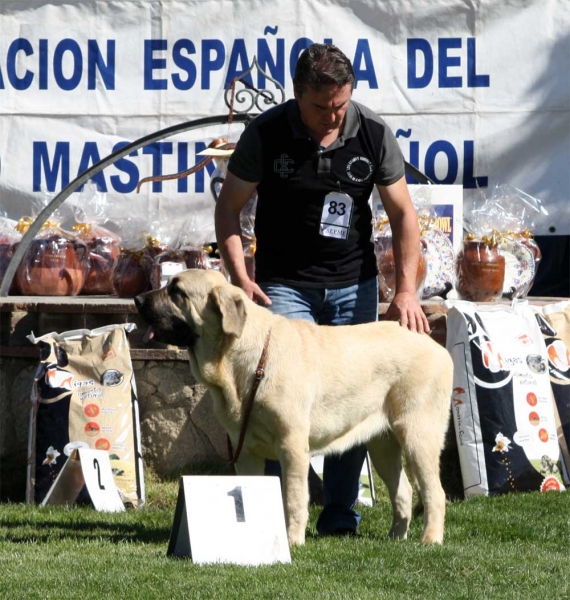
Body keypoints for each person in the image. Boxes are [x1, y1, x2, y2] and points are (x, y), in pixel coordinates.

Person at [215, 42, 429, 536]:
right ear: (297, 94)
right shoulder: (265, 133)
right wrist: (240, 277)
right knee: (277, 401)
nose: (332, 117)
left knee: (351, 400)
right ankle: (272, 522)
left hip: (354, 284)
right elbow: (228, 210)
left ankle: (339, 517)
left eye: (340, 104)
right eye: (320, 107)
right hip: (283, 289)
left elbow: (403, 216)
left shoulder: (372, 131)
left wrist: (405, 290)